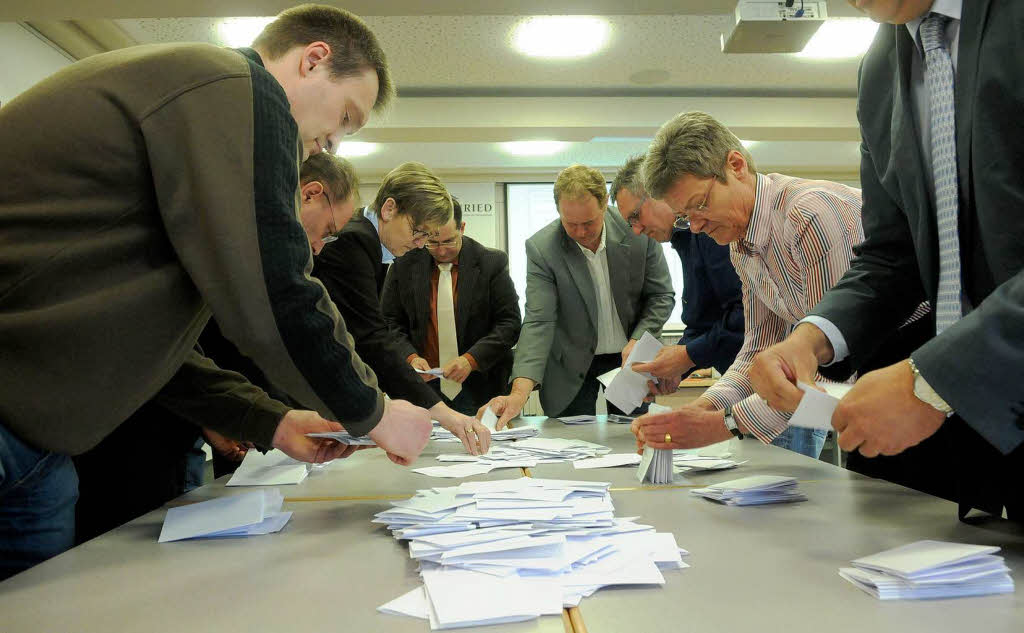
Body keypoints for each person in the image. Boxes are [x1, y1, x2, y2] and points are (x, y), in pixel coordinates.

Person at [0, 4, 433, 580]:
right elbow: (276, 290)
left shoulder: (194, 130)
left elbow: (151, 351)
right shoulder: (236, 87)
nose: (330, 145)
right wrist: (371, 411)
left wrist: (271, 422)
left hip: (38, 443)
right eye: (344, 117)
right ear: (313, 59)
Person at [748, 0, 1024, 520]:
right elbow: (892, 253)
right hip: (980, 440)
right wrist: (812, 339)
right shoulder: (880, 65)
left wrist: (937, 378)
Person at [631, 111, 871, 460]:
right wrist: (702, 408)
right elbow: (758, 348)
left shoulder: (809, 215)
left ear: (736, 165)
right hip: (870, 403)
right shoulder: (741, 247)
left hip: (915, 389)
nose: (694, 227)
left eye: (700, 205)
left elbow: (827, 363)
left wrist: (721, 425)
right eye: (684, 216)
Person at [314, 162, 493, 455]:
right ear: (388, 209)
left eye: (428, 238)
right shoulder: (356, 241)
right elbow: (371, 338)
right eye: (419, 232)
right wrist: (442, 413)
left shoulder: (373, 246)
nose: (421, 245)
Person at [482, 164, 675, 428]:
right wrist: (518, 393)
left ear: (606, 202)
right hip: (569, 366)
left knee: (635, 438)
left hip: (629, 363)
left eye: (589, 223)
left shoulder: (639, 231)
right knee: (568, 449)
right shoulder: (542, 249)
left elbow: (661, 295)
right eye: (571, 224)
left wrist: (639, 339)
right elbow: (539, 320)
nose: (581, 232)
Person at [610, 154, 744, 386]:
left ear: (659, 193)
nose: (636, 230)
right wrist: (673, 369)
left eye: (636, 217)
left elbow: (744, 314)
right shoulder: (684, 239)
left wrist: (686, 356)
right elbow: (703, 321)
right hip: (742, 374)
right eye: (629, 223)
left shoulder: (709, 231)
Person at [382, 197, 522, 416]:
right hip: (422, 386)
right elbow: (389, 323)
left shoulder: (490, 262)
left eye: (449, 241)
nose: (441, 251)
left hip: (481, 384)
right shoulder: (404, 264)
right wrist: (410, 358)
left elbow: (509, 324)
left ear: (462, 228)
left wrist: (470, 360)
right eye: (433, 242)